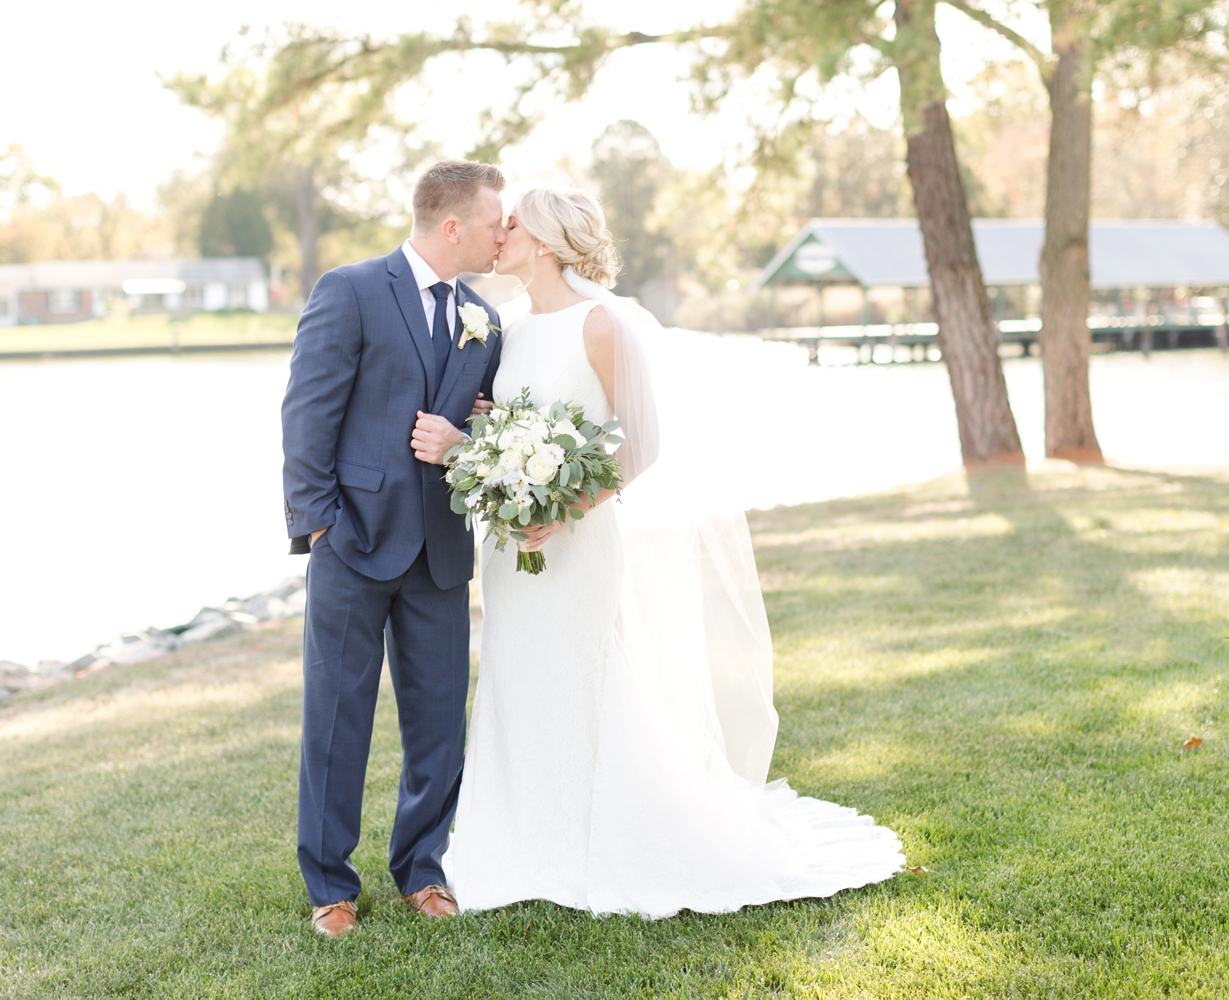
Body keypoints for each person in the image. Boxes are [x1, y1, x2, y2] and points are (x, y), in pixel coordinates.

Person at [438, 188, 904, 918]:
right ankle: (522, 842)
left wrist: (562, 511)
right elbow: (518, 419)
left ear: (550, 242)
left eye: (514, 225)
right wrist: (495, 446)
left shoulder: (601, 323)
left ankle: (603, 842)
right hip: (511, 545)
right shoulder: (515, 328)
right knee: (515, 675)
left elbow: (640, 441)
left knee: (583, 674)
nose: (500, 234)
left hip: (575, 540)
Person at [281, 159, 507, 939]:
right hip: (354, 543)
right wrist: (316, 525)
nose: (501, 232)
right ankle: (330, 887)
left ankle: (422, 869)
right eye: (492, 220)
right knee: (338, 717)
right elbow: (308, 410)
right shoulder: (351, 290)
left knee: (439, 723)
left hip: (440, 550)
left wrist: (475, 431)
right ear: (453, 225)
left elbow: (481, 427)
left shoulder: (485, 317)